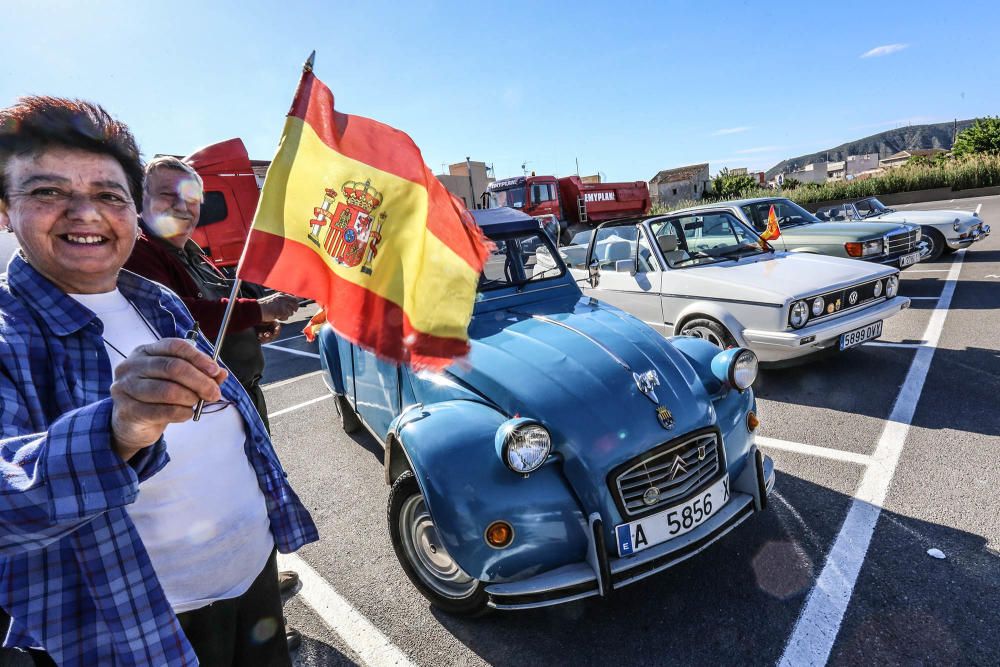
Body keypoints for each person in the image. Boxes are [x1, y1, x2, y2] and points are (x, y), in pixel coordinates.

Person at [0, 96, 318, 666]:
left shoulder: (156, 298)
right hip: (142, 627)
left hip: (252, 578)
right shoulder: (9, 336)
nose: (87, 213)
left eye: (107, 195)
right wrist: (116, 432)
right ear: (4, 208)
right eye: (47, 192)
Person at [124, 156, 304, 647]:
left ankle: (263, 596)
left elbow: (216, 311)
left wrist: (253, 323)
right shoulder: (142, 253)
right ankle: (259, 625)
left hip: (241, 394)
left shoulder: (188, 252)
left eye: (192, 201)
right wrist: (259, 307)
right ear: (140, 201)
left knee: (254, 504)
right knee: (224, 518)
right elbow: (188, 317)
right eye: (167, 197)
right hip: (206, 410)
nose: (182, 209)